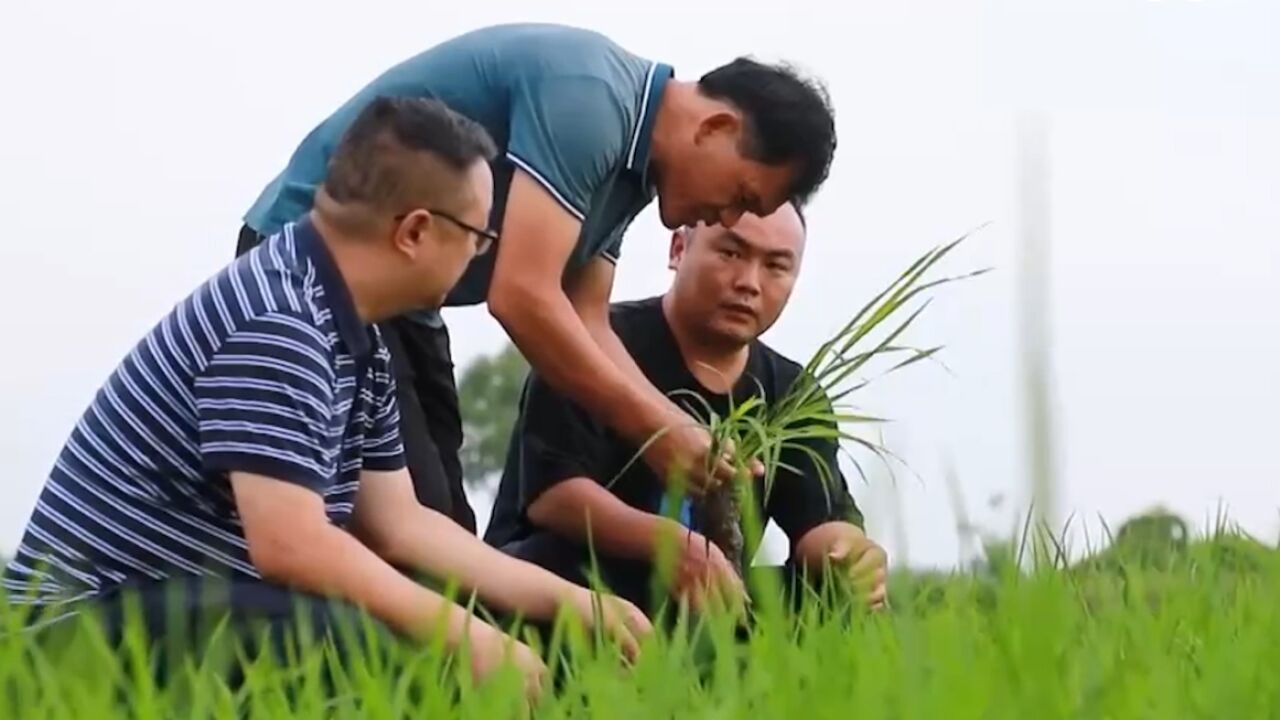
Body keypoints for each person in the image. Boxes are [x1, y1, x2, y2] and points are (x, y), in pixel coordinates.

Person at [3, 97, 649, 699]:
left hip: (182, 604)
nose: (480, 257)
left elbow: (400, 524)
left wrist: (568, 602)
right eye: (478, 236)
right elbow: (292, 545)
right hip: (72, 635)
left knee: (425, 625)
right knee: (353, 643)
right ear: (416, 231)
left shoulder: (352, 327)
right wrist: (466, 637)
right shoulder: (279, 319)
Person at [236, 23, 839, 531]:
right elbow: (521, 296)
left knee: (445, 521)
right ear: (715, 130)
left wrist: (678, 431)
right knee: (392, 520)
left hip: (409, 303)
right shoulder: (594, 103)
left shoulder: (631, 171)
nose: (727, 218)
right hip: (316, 260)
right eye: (740, 195)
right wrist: (659, 432)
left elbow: (588, 320)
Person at [483, 202, 888, 617]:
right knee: (551, 563)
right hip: (577, 581)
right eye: (730, 254)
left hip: (713, 593)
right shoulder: (592, 341)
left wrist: (849, 555)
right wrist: (671, 545)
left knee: (838, 595)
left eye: (776, 266)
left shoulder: (792, 391)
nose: (749, 282)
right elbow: (553, 498)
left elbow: (818, 522)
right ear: (678, 249)